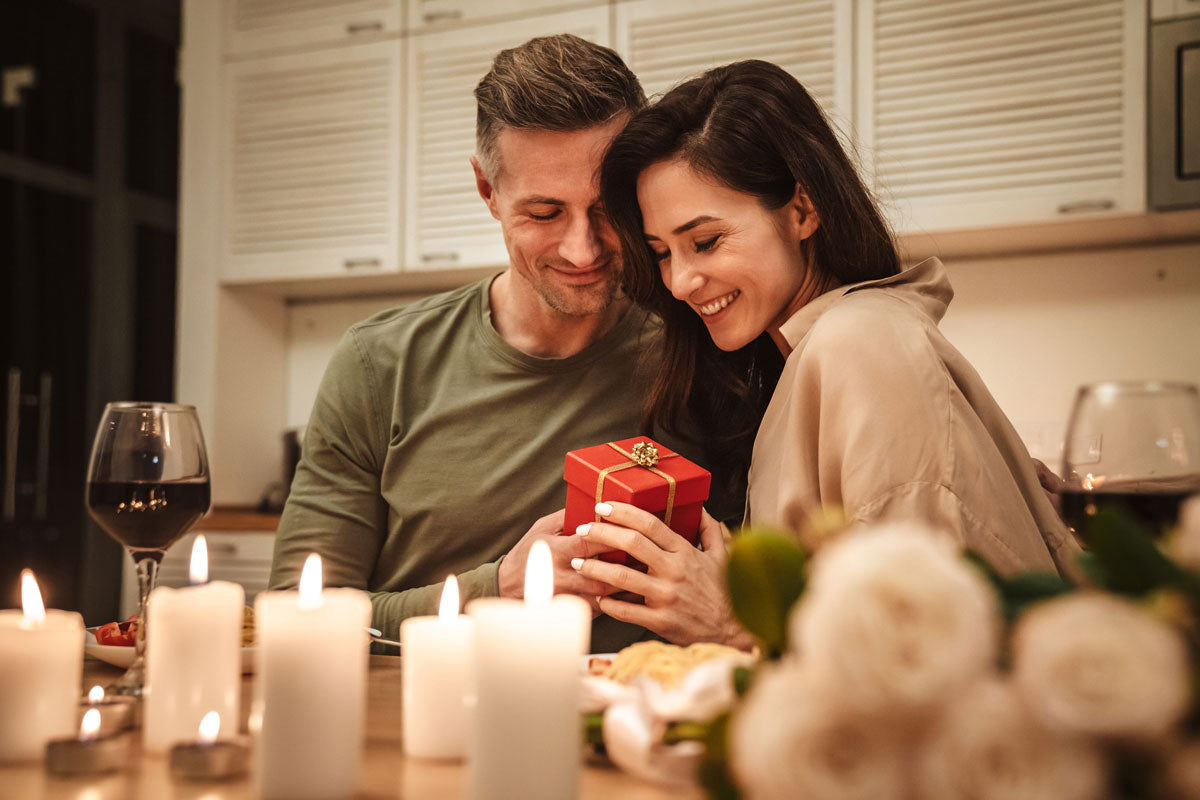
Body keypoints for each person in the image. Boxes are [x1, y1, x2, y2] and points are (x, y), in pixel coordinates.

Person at [267, 35, 742, 653]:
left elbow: (745, 592)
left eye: (607, 208)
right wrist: (496, 589)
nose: (584, 249)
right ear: (487, 191)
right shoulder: (378, 364)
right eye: (544, 213)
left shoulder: (699, 343)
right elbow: (294, 615)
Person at [570, 60, 1077, 632]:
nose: (680, 281)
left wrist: (729, 619)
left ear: (803, 210)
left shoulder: (859, 344)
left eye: (706, 241)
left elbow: (924, 651)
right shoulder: (807, 355)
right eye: (663, 252)